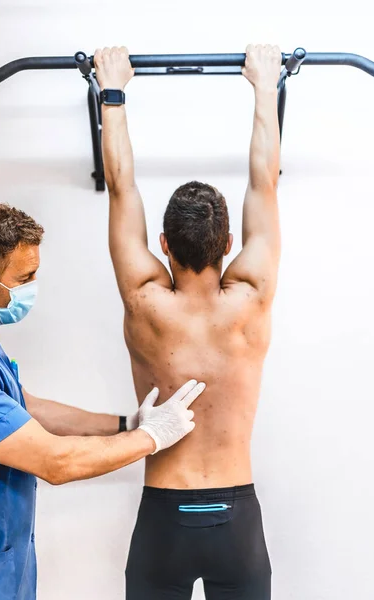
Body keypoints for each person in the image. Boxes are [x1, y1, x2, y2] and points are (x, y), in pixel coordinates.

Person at [94, 42, 281, 600]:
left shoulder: (144, 300)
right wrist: (265, 87)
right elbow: (264, 183)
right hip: (237, 524)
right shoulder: (252, 298)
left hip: (163, 522)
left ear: (163, 244)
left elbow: (121, 183)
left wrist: (113, 93)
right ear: (229, 243)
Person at [0, 201, 206, 600]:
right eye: (25, 277)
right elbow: (55, 462)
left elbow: (27, 408)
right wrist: (152, 438)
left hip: (6, 566)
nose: (33, 286)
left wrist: (127, 424)